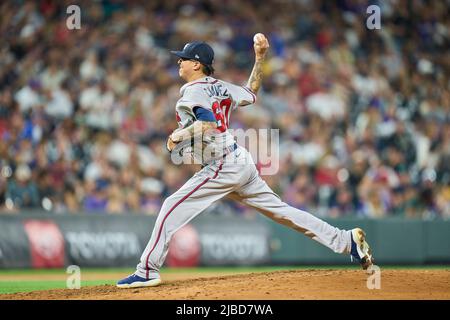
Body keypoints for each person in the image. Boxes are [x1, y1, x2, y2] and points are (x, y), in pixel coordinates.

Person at [117, 34, 374, 288]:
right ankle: (346, 240)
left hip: (223, 165)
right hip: (239, 161)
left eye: (183, 59)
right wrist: (260, 58)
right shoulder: (221, 86)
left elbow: (207, 123)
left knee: (170, 207)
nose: (179, 63)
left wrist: (178, 135)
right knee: (283, 212)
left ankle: (147, 270)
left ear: (196, 64)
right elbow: (251, 92)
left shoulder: (193, 93)